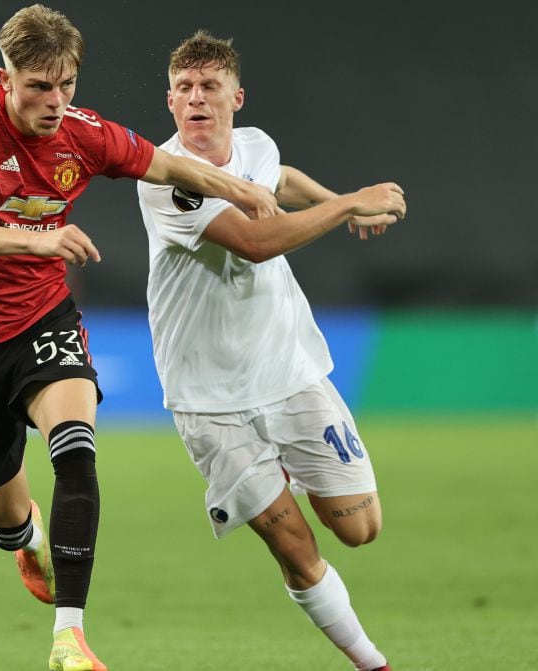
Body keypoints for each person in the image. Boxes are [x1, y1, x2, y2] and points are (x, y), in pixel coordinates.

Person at [0, 6, 278, 670]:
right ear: (4, 77)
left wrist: (240, 189)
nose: (55, 101)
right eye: (38, 85)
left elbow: (165, 165)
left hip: (42, 317)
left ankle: (70, 637)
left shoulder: (83, 133)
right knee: (6, 519)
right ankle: (28, 538)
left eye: (65, 83)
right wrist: (40, 238)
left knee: (75, 448)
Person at [136, 31, 406, 671]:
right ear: (170, 101)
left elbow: (274, 174)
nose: (196, 99)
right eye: (183, 89)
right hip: (209, 398)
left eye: (208, 87)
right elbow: (256, 244)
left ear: (237, 96)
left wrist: (321, 196)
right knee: (293, 543)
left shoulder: (256, 145)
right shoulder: (165, 179)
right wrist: (345, 206)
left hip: (289, 373)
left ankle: (286, 471)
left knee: (360, 529)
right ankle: (374, 663)